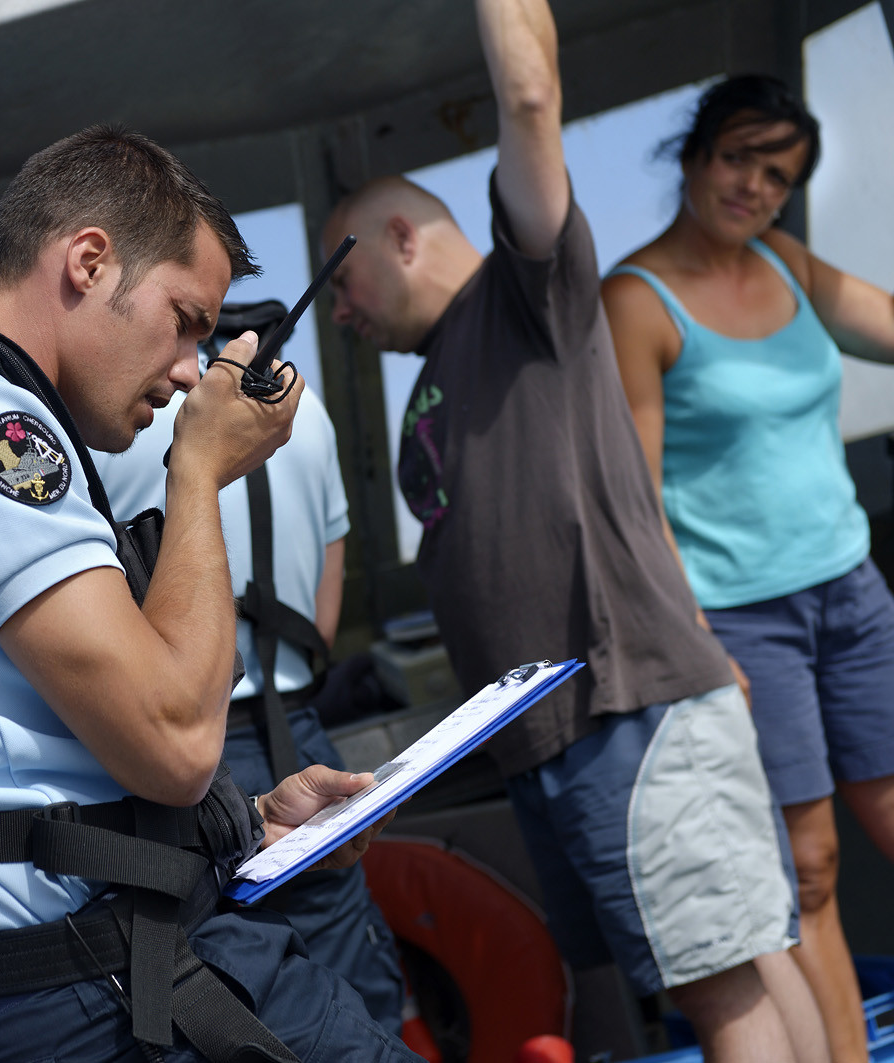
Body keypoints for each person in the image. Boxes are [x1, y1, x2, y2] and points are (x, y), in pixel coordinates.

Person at [0, 125, 415, 1063]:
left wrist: (250, 825)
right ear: (87, 261)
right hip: (113, 998)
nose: (193, 369)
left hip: (79, 989)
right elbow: (172, 743)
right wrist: (194, 474)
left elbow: (16, 765)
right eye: (187, 320)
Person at [318, 1, 831, 1060]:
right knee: (739, 957)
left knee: (720, 983)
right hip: (558, 736)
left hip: (623, 704)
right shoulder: (436, 375)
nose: (336, 312)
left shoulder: (527, 293)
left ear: (404, 238)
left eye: (338, 279)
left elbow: (530, 97)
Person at [602, 74, 894, 1063]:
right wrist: (692, 640)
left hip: (853, 592)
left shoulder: (786, 258)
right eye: (739, 159)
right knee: (807, 866)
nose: (755, 187)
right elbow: (637, 504)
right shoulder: (632, 299)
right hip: (740, 621)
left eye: (778, 175)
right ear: (692, 157)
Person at [96, 303, 406, 1036]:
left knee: (224, 969)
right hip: (302, 727)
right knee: (344, 959)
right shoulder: (313, 417)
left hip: (194, 744)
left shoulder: (136, 421)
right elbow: (326, 617)